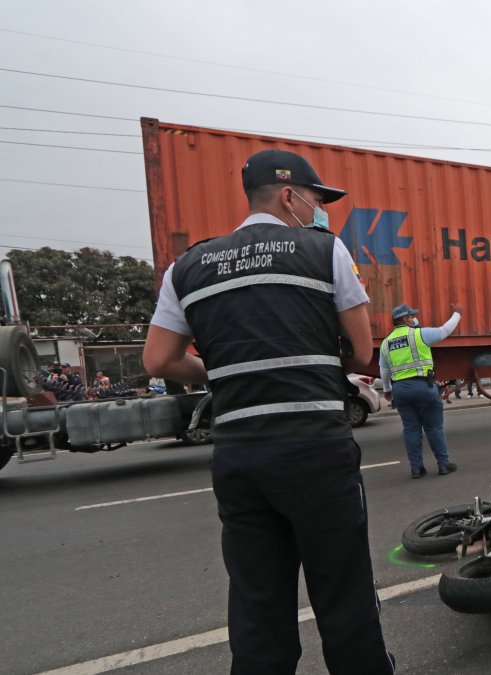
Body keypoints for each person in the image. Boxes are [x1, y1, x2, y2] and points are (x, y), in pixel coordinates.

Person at [142, 148, 394, 674]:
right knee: (343, 594)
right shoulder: (325, 250)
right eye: (317, 199)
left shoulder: (185, 268)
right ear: (289, 196)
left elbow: (159, 360)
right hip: (314, 449)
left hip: (238, 456)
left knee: (258, 606)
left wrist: (222, 371)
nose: (320, 209)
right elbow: (364, 350)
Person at [381, 302, 463, 478]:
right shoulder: (419, 334)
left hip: (400, 390)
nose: (414, 318)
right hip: (423, 387)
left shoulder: (385, 343)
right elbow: (445, 330)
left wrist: (387, 390)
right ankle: (443, 464)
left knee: (411, 429)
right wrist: (457, 314)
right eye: (411, 316)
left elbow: (384, 370)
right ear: (405, 319)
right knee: (434, 428)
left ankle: (416, 469)